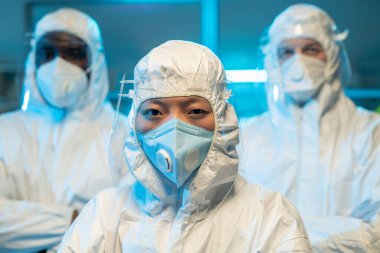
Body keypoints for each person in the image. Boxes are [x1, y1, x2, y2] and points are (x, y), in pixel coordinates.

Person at [58, 40, 311, 252]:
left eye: (196, 110)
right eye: (155, 111)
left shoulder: (270, 216)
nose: (174, 129)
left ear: (223, 119)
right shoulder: (103, 215)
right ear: (134, 122)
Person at [238, 4, 380, 252]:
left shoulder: (371, 132)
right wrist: (344, 228)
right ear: (273, 61)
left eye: (311, 49)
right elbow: (231, 227)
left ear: (332, 56)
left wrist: (279, 238)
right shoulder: (245, 136)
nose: (298, 60)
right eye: (286, 52)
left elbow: (376, 234)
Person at [0, 8, 118, 252]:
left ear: (94, 60)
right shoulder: (5, 131)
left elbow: (127, 225)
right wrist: (75, 219)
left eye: (74, 53)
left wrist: (30, 226)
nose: (58, 65)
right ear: (34, 59)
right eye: (47, 52)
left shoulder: (123, 134)